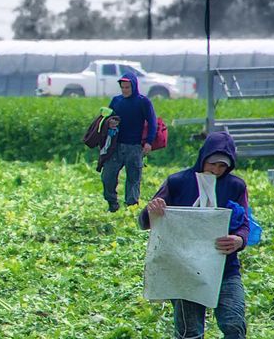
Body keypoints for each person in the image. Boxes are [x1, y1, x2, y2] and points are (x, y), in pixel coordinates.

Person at [140, 131, 249, 339]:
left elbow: (243, 223)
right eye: (212, 164)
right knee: (189, 333)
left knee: (234, 326)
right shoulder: (178, 182)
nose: (215, 170)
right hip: (185, 269)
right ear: (203, 158)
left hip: (225, 268)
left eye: (222, 166)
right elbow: (144, 221)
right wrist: (152, 211)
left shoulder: (236, 186)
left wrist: (239, 240)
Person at [102, 72, 157, 213]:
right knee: (107, 176)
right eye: (123, 87)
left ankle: (130, 208)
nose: (125, 90)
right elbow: (108, 118)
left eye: (127, 87)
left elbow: (152, 122)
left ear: (134, 86)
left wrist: (149, 142)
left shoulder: (143, 102)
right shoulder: (116, 101)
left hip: (135, 147)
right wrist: (110, 123)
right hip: (116, 146)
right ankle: (112, 203)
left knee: (133, 179)